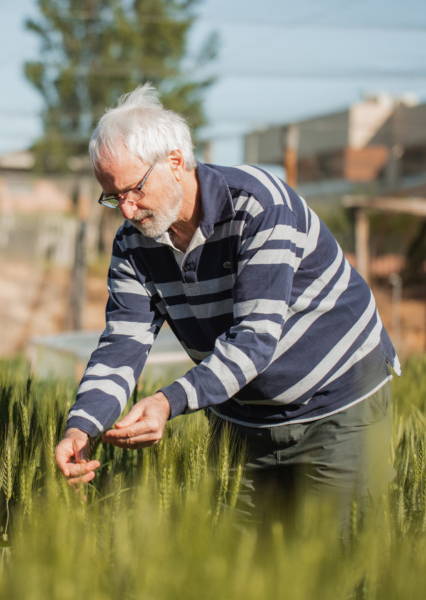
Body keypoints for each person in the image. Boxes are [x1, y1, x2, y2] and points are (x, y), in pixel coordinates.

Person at [54, 83, 401, 529]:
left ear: (175, 161)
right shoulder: (133, 243)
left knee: (334, 554)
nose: (126, 209)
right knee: (236, 560)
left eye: (133, 189)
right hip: (240, 415)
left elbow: (254, 341)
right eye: (112, 196)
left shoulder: (260, 207)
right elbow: (123, 343)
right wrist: (82, 427)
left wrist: (167, 401)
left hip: (336, 400)